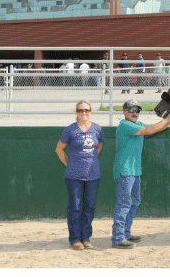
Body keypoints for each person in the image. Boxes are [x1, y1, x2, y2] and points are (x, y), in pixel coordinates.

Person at [112, 99, 170, 248]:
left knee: (134, 202)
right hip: (125, 170)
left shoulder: (138, 124)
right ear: (124, 112)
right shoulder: (125, 125)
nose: (134, 113)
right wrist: (169, 119)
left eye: (137, 111)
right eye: (131, 110)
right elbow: (149, 131)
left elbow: (155, 128)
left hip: (134, 171)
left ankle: (125, 233)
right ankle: (118, 238)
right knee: (124, 203)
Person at [55, 100, 104, 250]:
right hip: (74, 176)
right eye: (80, 110)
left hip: (93, 175)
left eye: (86, 110)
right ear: (76, 112)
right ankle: (75, 239)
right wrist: (69, 164)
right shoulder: (70, 130)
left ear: (91, 112)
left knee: (89, 207)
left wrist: (90, 160)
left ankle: (86, 237)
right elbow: (59, 149)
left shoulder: (97, 129)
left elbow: (99, 147)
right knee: (75, 207)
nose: (84, 113)